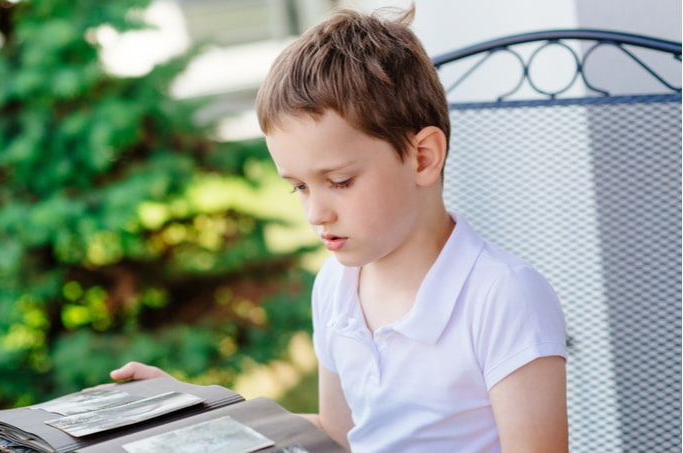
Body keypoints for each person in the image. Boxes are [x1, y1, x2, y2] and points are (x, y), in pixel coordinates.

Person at [111, 6, 568, 452]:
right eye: (298, 188)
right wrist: (205, 415)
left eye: (340, 182)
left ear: (423, 158)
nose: (315, 213)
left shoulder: (502, 297)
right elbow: (337, 434)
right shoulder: (336, 285)